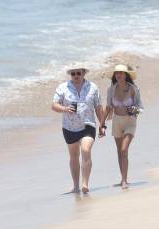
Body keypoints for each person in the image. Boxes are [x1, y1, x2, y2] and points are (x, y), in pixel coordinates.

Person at [51, 65, 105, 194]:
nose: (76, 76)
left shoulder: (92, 87)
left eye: (78, 73)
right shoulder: (63, 87)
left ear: (84, 73)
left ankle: (85, 183)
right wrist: (65, 109)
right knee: (74, 156)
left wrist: (102, 125)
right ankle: (76, 186)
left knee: (85, 149)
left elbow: (98, 107)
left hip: (88, 125)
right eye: (73, 73)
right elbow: (54, 105)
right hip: (69, 127)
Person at [100, 64, 144, 190]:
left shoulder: (133, 89)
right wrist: (102, 124)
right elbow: (108, 107)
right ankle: (123, 178)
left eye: (121, 73)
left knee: (124, 150)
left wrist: (133, 110)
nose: (118, 75)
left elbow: (140, 108)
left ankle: (124, 181)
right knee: (120, 152)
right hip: (117, 121)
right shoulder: (111, 90)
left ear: (126, 75)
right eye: (116, 73)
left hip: (130, 122)